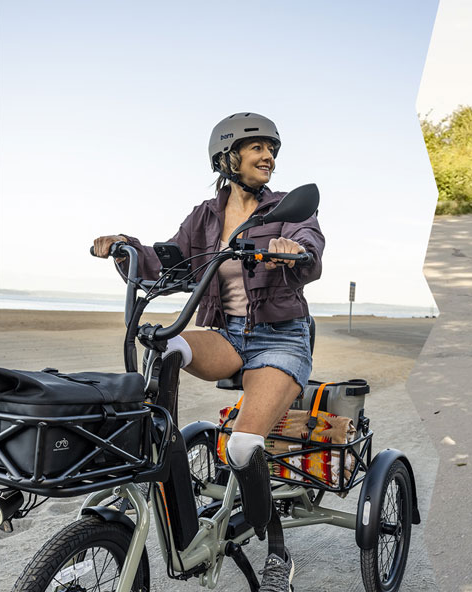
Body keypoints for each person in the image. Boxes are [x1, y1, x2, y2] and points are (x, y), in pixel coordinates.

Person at [93, 112, 324, 592]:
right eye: (258, 148)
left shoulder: (286, 207)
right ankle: (158, 454)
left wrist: (292, 250)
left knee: (242, 445)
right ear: (228, 156)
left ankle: (276, 549)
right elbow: (168, 260)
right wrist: (124, 247)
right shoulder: (205, 215)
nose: (269, 157)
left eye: (273, 150)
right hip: (226, 334)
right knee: (165, 343)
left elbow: (311, 247)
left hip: (281, 339)